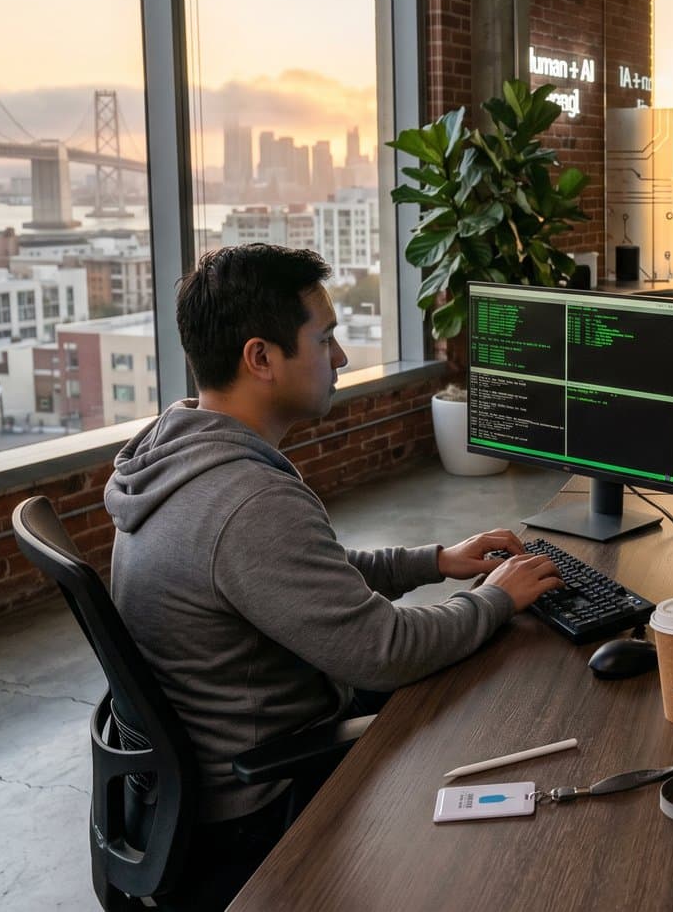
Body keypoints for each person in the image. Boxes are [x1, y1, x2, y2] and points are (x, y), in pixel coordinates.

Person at [107, 244, 563, 908]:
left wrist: (434, 559)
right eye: (325, 340)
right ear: (261, 358)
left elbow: (306, 579)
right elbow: (384, 651)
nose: (341, 358)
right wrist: (494, 599)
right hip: (263, 797)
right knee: (496, 706)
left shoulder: (175, 450)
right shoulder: (247, 503)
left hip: (204, 781)